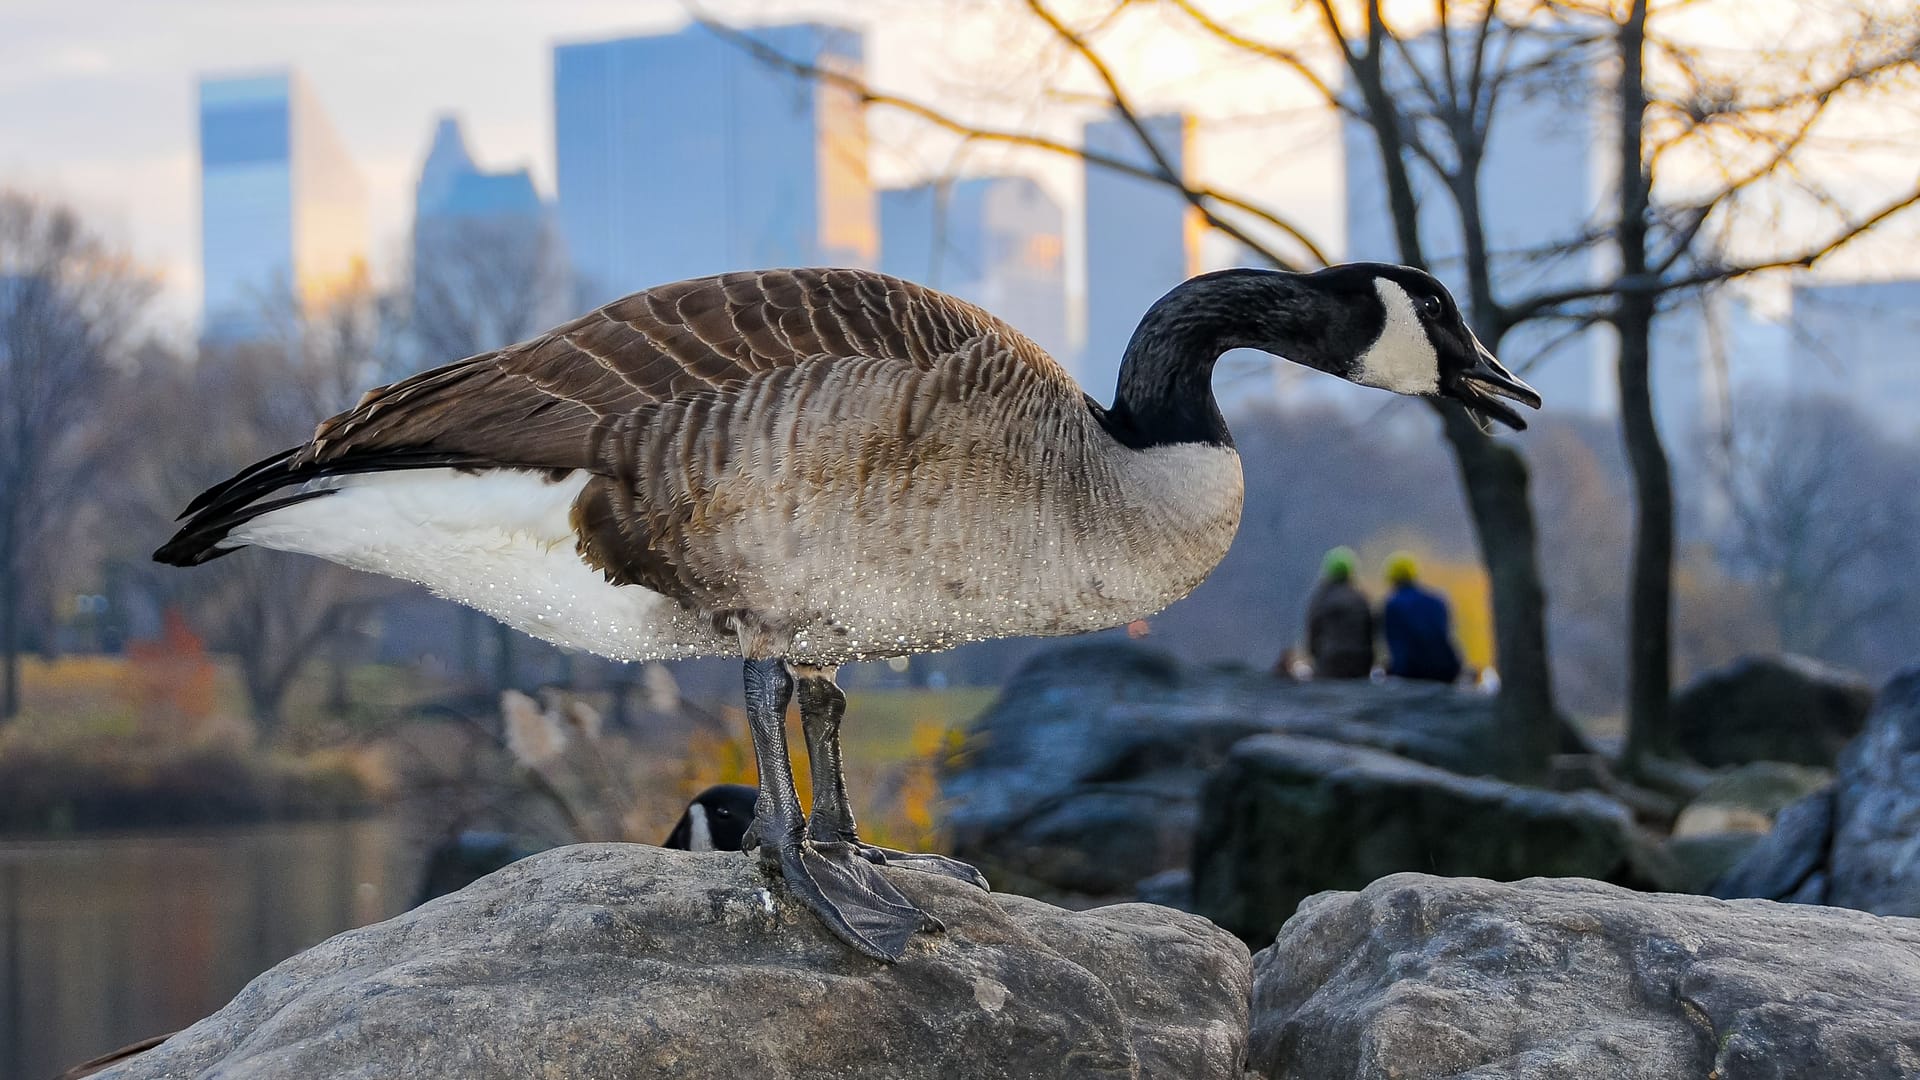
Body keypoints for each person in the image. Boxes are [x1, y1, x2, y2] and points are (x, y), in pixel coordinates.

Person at [1380, 552, 1464, 683]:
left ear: (1392, 578)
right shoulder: (1438, 599)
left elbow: (1397, 646)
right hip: (1447, 667)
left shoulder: (1393, 605)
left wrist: (1394, 673)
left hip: (1414, 672)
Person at [1304, 546, 1375, 679]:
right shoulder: (1360, 599)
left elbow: (1313, 631)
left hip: (1329, 664)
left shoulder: (1320, 598)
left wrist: (1315, 657)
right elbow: (1370, 633)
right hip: (1360, 665)